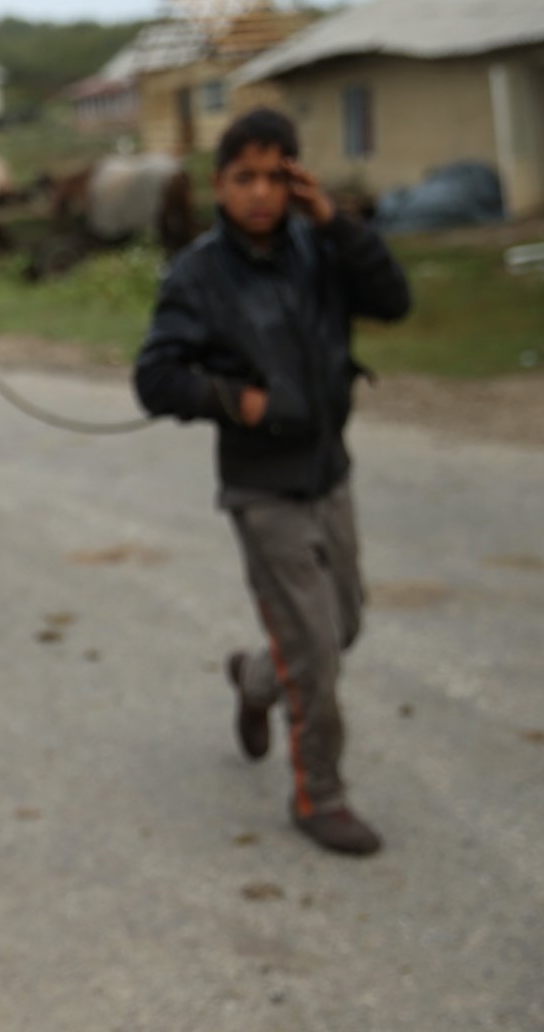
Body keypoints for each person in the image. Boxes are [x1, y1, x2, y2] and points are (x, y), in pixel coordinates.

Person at [133, 108, 412, 855]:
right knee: (316, 652)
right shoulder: (197, 274)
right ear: (218, 185)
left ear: (296, 179)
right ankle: (320, 796)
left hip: (330, 471)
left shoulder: (318, 248)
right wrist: (234, 400)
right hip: (262, 490)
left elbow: (394, 301)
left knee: (343, 623)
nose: (260, 193)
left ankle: (256, 680)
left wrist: (338, 225)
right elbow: (155, 377)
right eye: (243, 178)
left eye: (274, 176)